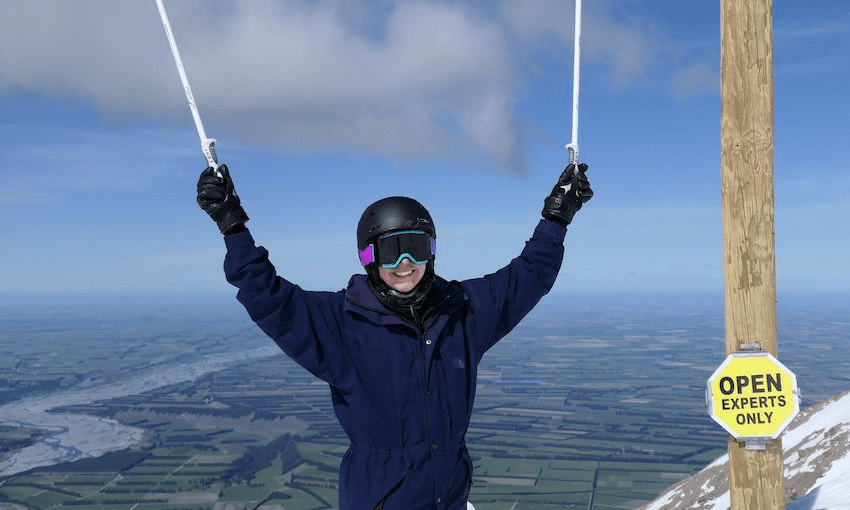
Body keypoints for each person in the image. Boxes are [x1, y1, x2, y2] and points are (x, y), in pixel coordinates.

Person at [197, 162, 593, 510]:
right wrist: (232, 224)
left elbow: (527, 277)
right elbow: (269, 298)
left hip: (449, 498)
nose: (406, 264)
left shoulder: (462, 311)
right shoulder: (342, 323)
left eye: (415, 247)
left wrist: (557, 217)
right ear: (369, 257)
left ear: (431, 252)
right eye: (392, 251)